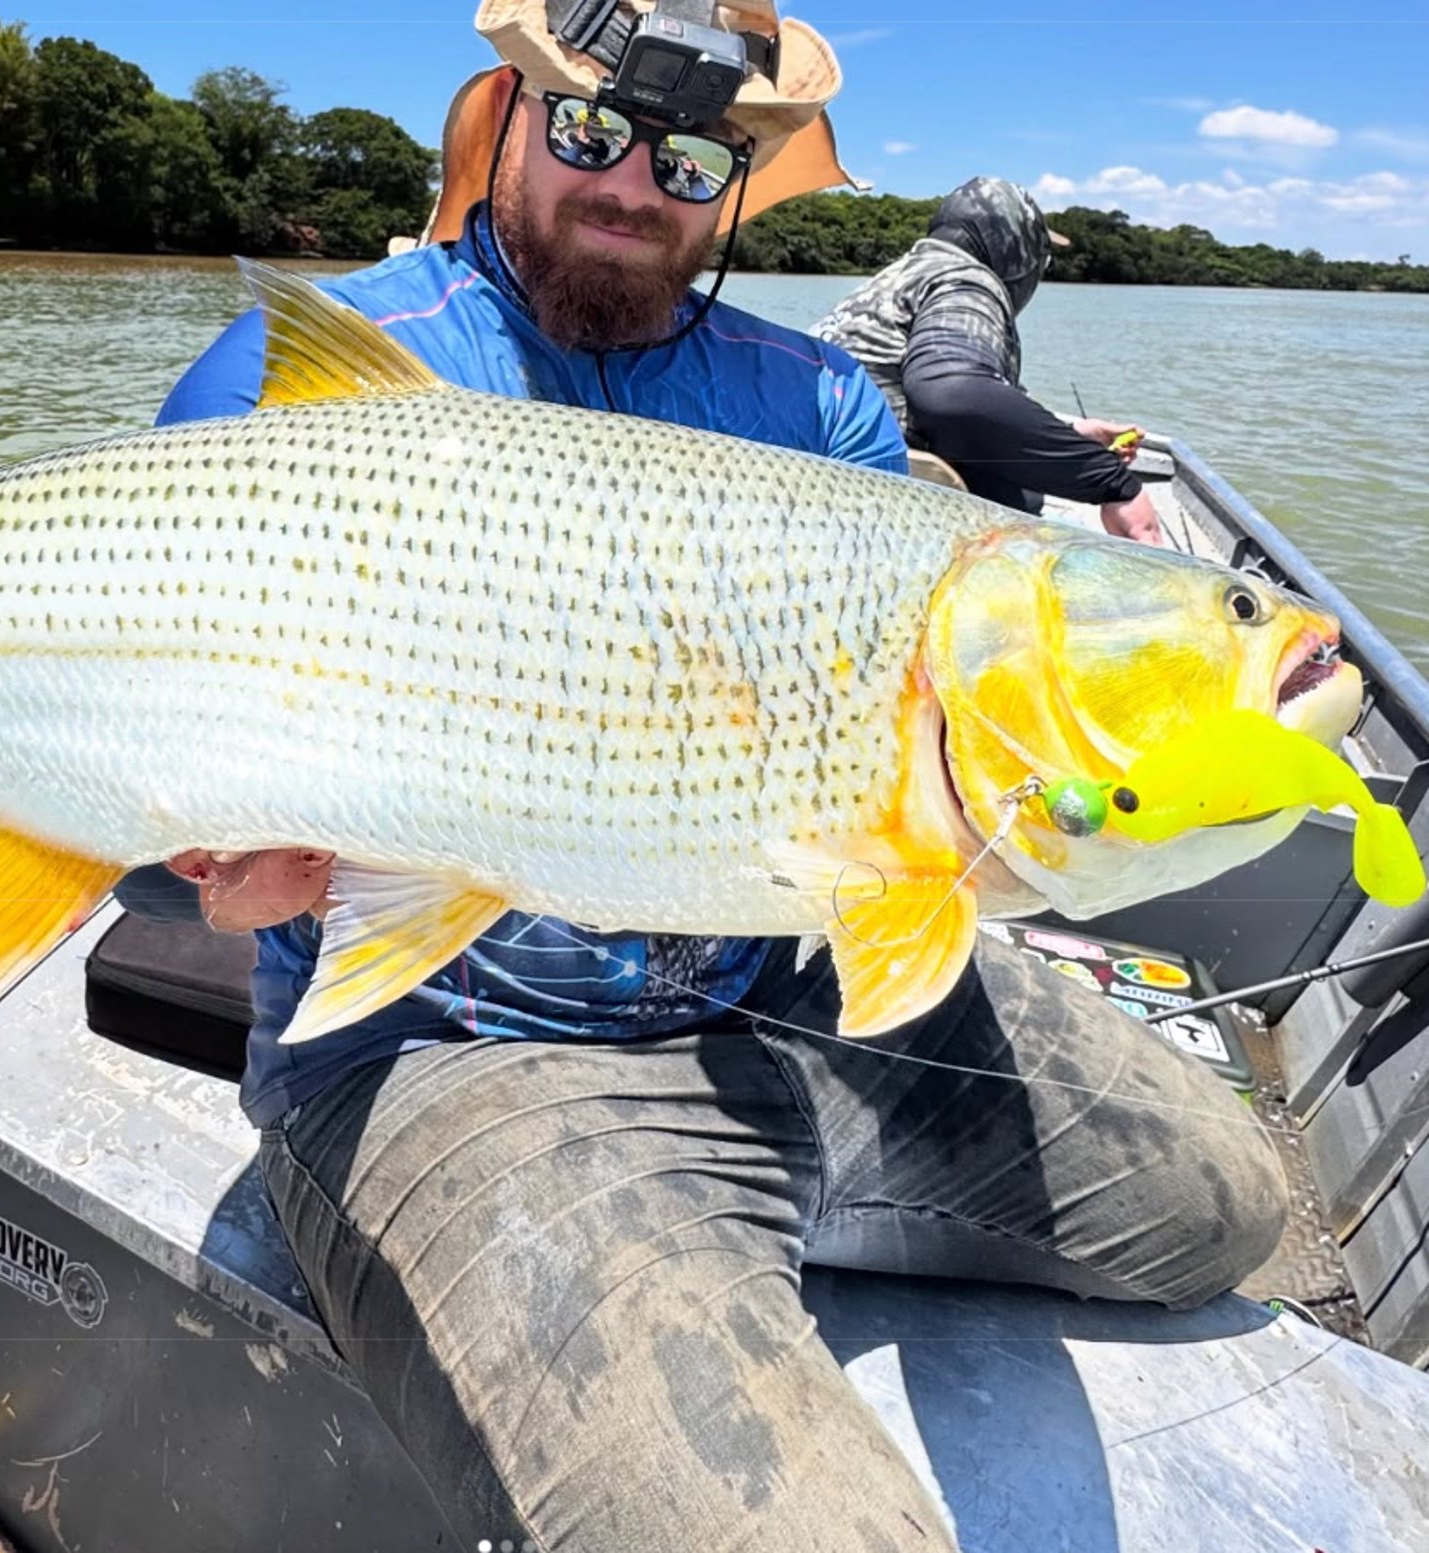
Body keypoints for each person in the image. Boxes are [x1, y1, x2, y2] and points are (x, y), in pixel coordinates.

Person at [117, 5, 1287, 1550]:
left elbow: (911, 767)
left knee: (1220, 1199)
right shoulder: (308, 373)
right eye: (590, 129)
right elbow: (117, 805)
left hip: (777, 983)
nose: (631, 182)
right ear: (510, 118)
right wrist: (200, 865)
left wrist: (1024, 816)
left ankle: (745, 1211)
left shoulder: (823, 407)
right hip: (454, 1042)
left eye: (684, 154)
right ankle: (662, 1238)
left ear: (735, 180)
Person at [813, 176, 1164, 542]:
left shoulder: (891, 280)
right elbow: (953, 396)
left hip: (837, 494)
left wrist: (1070, 435)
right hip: (899, 517)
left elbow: (904, 391)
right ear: (1013, 246)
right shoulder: (964, 279)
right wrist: (1114, 483)